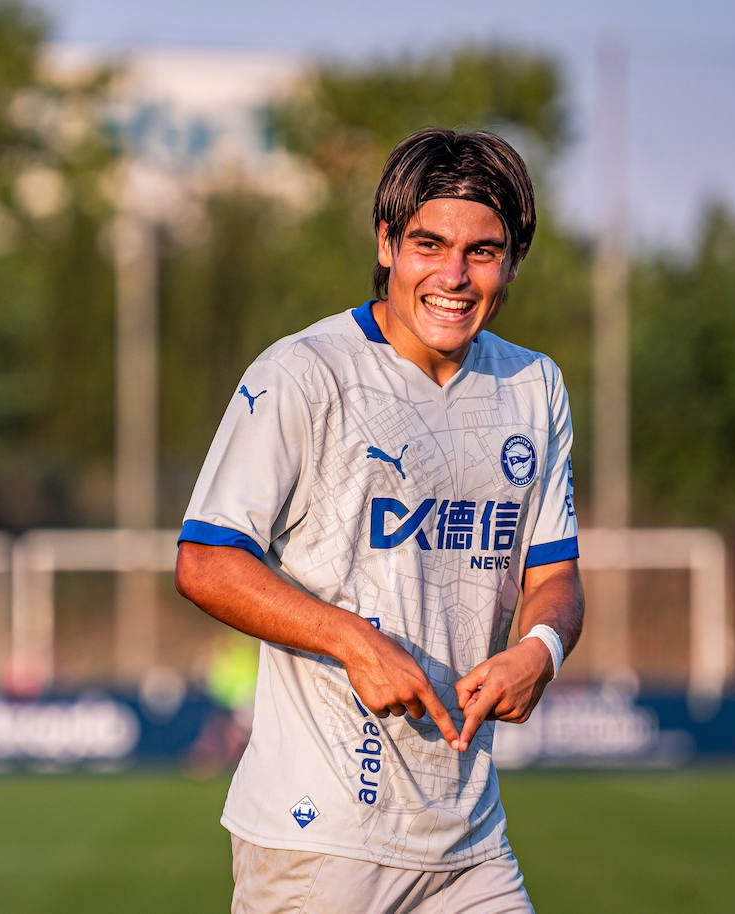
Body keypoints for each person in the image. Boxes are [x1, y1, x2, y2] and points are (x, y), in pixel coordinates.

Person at [174, 128, 583, 913]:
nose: (454, 276)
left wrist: (543, 648)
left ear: (514, 259)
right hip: (319, 836)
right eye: (429, 243)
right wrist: (352, 641)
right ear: (388, 242)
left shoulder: (535, 386)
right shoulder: (304, 373)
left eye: (484, 251)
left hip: (469, 840)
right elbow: (206, 561)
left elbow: (554, 575)